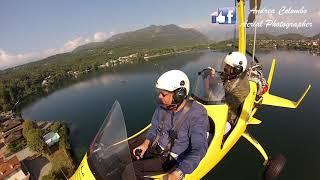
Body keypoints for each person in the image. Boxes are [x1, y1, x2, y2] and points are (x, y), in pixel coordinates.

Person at [125, 70, 208, 180]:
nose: (160, 97)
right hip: (156, 147)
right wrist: (145, 144)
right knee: (124, 155)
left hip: (170, 159)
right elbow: (154, 128)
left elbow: (199, 148)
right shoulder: (163, 107)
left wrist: (179, 172)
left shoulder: (197, 113)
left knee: (129, 171)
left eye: (164, 94)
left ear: (179, 94)